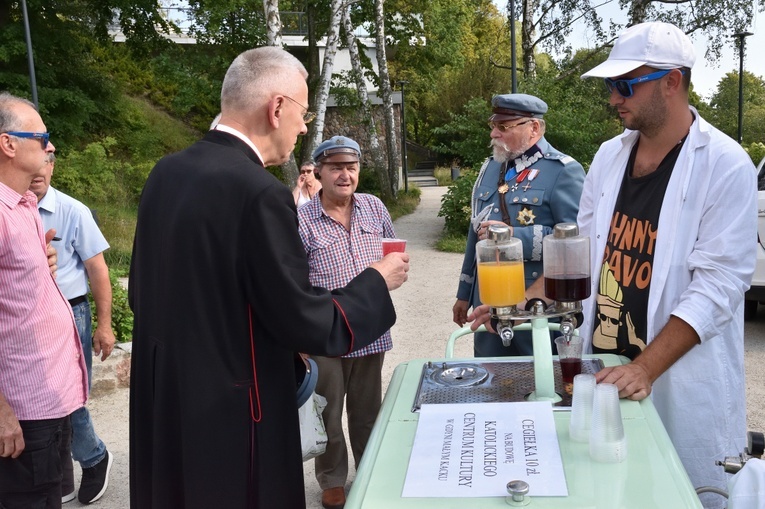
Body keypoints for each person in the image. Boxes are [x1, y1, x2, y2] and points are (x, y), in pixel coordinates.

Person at [469, 22, 756, 509]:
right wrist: (527, 296)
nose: (612, 99)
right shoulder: (609, 156)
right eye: (609, 86)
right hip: (601, 370)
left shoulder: (724, 164)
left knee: (674, 492)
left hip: (667, 376)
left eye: (625, 85)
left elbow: (718, 287)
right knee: (602, 491)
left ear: (672, 81)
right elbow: (576, 250)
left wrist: (645, 367)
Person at [128, 47, 409, 509]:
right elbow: (302, 318)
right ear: (276, 107)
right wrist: (376, 280)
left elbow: (143, 289)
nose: (302, 128)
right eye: (302, 114)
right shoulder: (258, 191)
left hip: (168, 397)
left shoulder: (166, 172)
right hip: (233, 408)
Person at [0, 92, 88, 508]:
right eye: (42, 136)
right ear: (8, 144)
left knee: (50, 496)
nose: (50, 146)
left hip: (49, 400)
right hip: (20, 408)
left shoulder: (24, 204)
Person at [297, 136, 395, 509]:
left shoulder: (374, 207)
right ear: (319, 171)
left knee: (369, 410)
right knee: (329, 409)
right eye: (336, 167)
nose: (344, 174)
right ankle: (332, 479)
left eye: (351, 167)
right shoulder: (303, 218)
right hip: (326, 331)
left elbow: (393, 250)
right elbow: (294, 279)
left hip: (371, 327)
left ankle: (369, 470)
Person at [453, 93, 585, 356]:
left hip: (537, 307)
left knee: (540, 385)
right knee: (490, 381)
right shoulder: (490, 168)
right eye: (493, 125)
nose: (493, 134)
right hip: (487, 303)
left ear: (533, 128)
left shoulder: (563, 171)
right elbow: (475, 232)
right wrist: (464, 293)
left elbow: (575, 243)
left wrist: (513, 238)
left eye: (503, 127)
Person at [30, 152, 115, 505]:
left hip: (70, 313)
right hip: (27, 315)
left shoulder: (72, 211)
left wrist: (105, 325)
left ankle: (94, 457)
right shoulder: (10, 211)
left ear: (53, 166)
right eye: (31, 164)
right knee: (37, 399)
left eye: (44, 164)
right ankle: (59, 474)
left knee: (71, 396)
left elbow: (98, 270)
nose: (37, 171)